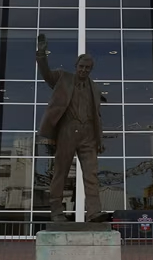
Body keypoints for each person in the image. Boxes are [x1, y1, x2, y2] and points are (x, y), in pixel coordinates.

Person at [35, 33, 107, 222]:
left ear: (91, 70)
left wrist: (99, 139)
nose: (84, 70)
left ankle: (94, 212)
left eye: (88, 68)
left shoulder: (95, 87)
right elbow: (46, 74)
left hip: (88, 134)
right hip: (68, 131)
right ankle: (56, 211)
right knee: (61, 171)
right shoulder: (63, 78)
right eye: (81, 66)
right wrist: (42, 55)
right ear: (76, 66)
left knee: (91, 173)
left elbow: (97, 116)